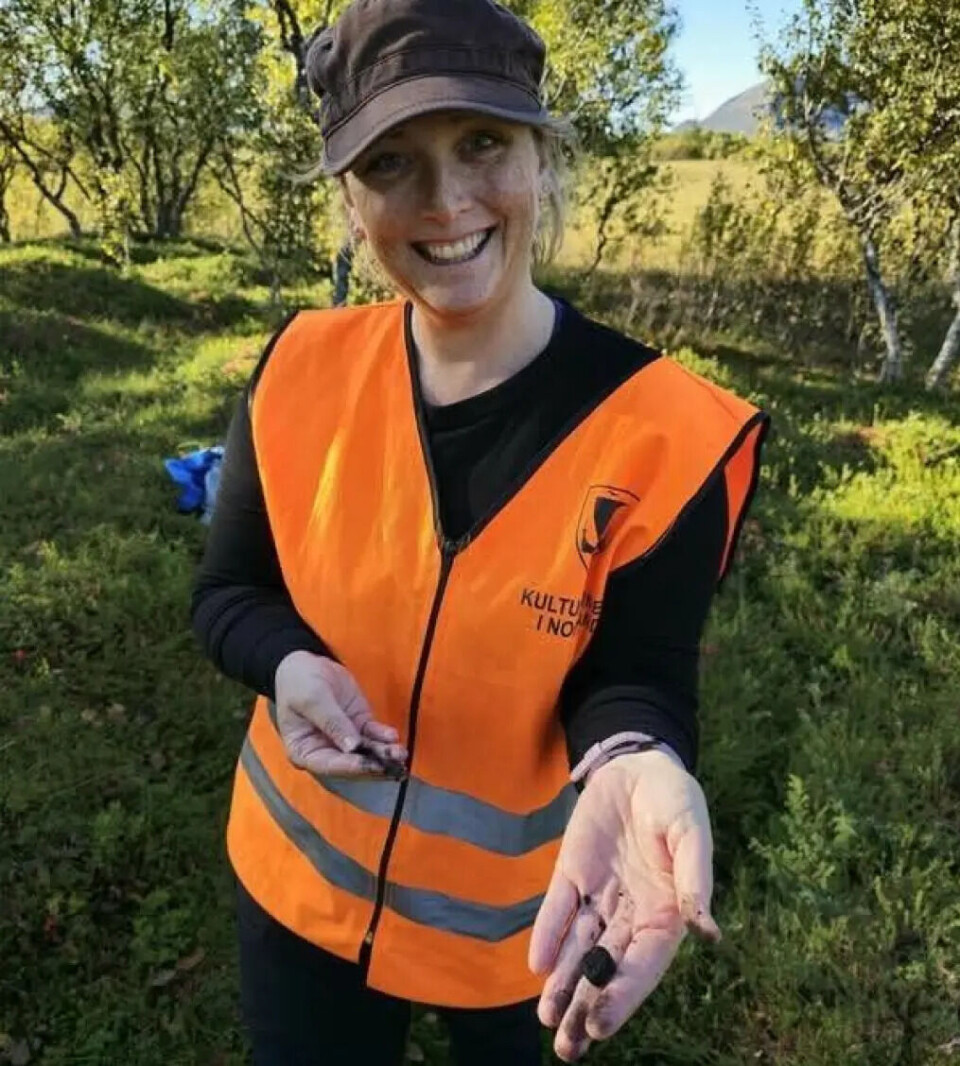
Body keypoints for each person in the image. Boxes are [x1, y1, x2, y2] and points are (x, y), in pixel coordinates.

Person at [190, 0, 770, 1062]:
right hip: (298, 892)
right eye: (393, 163)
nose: (446, 201)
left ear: (543, 158)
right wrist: (286, 667)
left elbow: (634, 674)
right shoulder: (298, 371)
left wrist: (640, 757)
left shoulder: (666, 436)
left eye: (483, 144)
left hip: (529, 928)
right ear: (349, 197)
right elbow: (228, 595)